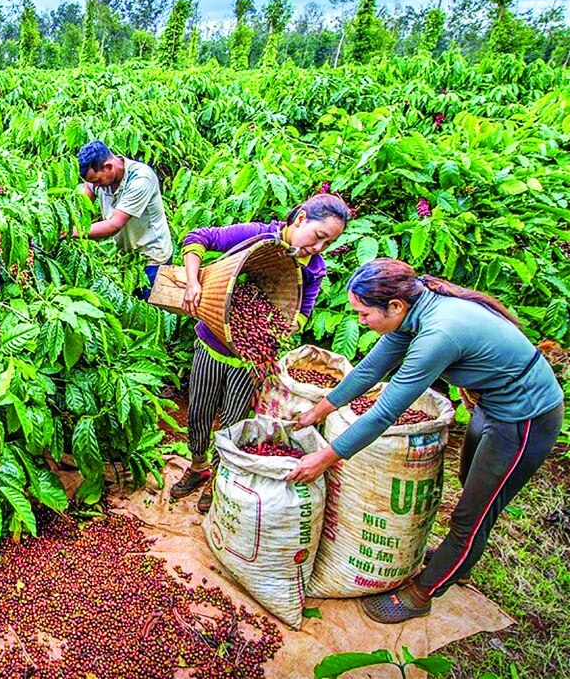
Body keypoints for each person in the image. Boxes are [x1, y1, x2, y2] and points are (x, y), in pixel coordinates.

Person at [289, 258, 564, 624]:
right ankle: (460, 560)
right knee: (472, 490)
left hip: (524, 419)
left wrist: (325, 458)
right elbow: (371, 369)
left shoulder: (437, 334)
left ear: (395, 307)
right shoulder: (411, 312)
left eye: (364, 314)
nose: (360, 322)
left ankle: (423, 593)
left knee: (472, 513)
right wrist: (318, 410)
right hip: (489, 406)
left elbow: (386, 411)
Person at [171, 193, 351, 513]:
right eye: (318, 236)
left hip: (249, 361)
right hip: (211, 344)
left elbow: (302, 312)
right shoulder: (260, 235)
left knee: (232, 424)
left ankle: (218, 480)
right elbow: (197, 238)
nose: (319, 248)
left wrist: (286, 325)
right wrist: (194, 283)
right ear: (300, 219)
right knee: (198, 413)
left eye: (328, 243)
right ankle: (199, 467)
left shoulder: (314, 270)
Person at [75, 140, 174, 297]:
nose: (96, 186)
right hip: (127, 257)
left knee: (151, 308)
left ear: (108, 167)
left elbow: (114, 225)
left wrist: (73, 232)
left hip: (152, 258)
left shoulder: (140, 179)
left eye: (97, 181)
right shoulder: (98, 179)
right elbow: (84, 197)